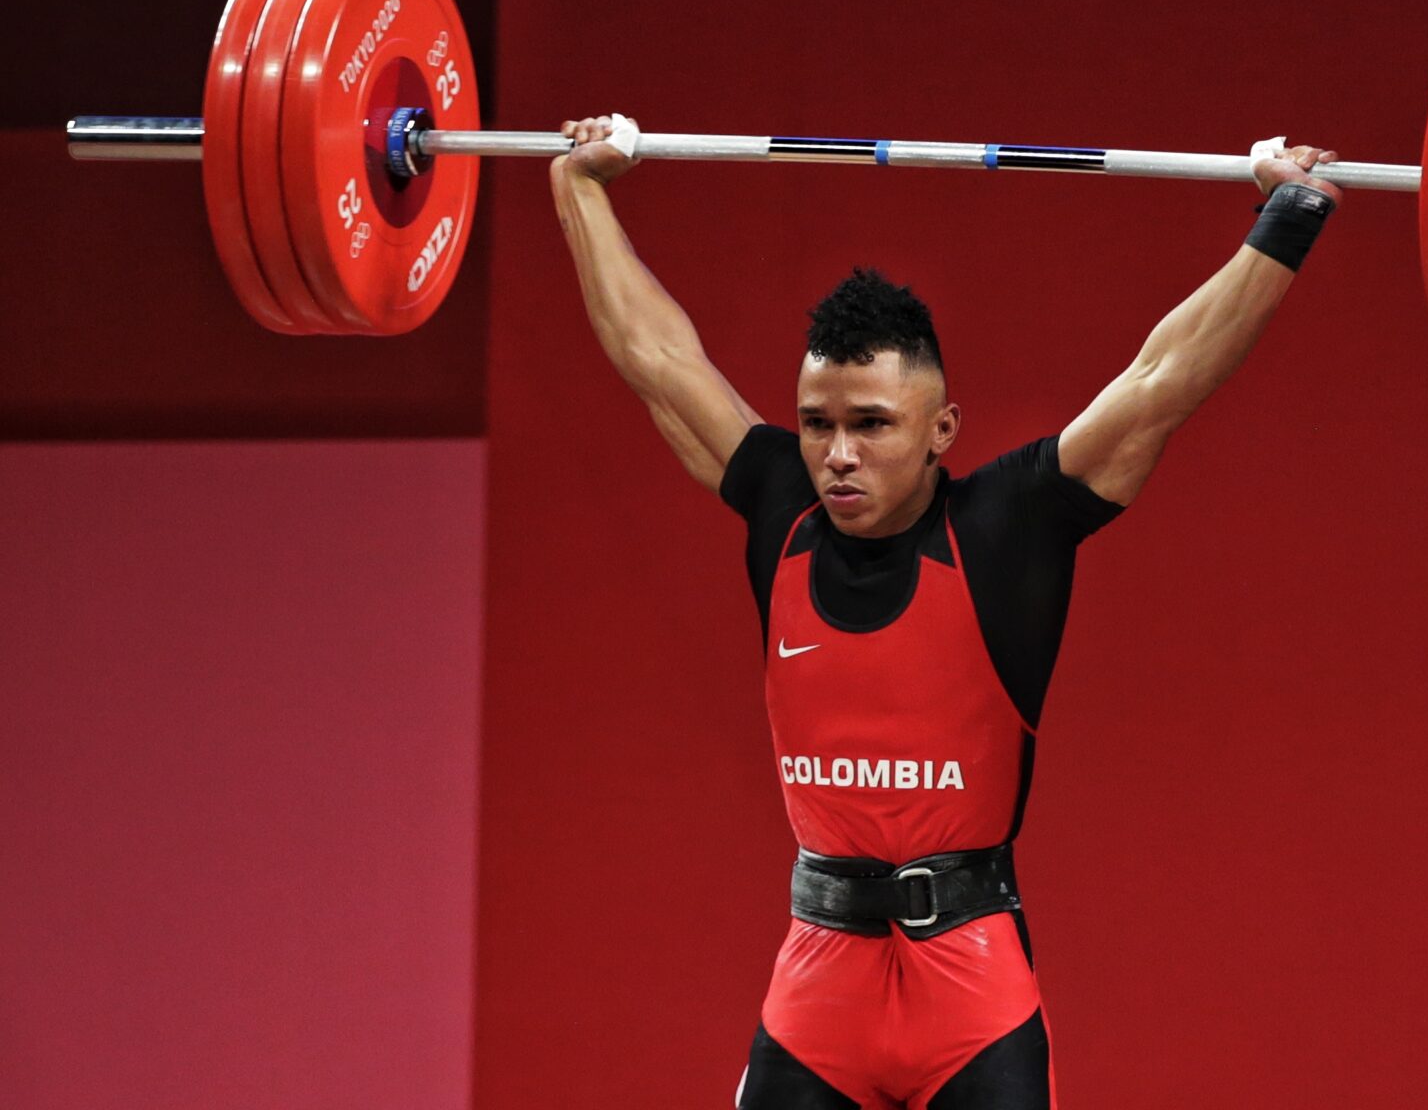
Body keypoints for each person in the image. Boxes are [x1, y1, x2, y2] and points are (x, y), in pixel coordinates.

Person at [550, 116, 1342, 1109]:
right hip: (817, 987)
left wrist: (1287, 218)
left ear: (940, 430)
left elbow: (1157, 386)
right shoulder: (778, 504)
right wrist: (578, 188)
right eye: (818, 423)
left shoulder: (1009, 524)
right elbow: (656, 357)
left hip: (972, 994)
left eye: (872, 424)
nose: (837, 453)